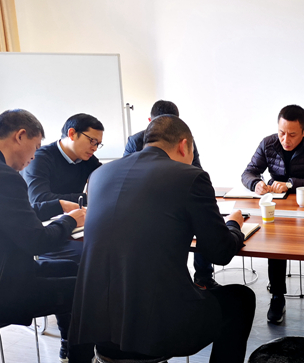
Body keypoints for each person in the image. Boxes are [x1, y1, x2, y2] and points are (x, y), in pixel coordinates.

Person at [69, 115, 255, 363]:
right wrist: (233, 224)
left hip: (96, 327)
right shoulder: (191, 177)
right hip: (155, 330)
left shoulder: (100, 174)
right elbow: (219, 253)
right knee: (241, 300)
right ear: (184, 145)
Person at [0, 109, 86, 362]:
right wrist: (71, 220)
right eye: (35, 147)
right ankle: (78, 357)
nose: (34, 156)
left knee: (72, 268)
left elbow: (10, 214)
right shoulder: (0, 174)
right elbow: (37, 241)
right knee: (86, 289)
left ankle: (68, 347)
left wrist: (57, 206)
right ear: (20, 136)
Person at [241, 104, 304, 324]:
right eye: (281, 132)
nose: (285, 139)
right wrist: (255, 184)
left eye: (292, 134)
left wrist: (290, 184)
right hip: (278, 207)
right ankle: (277, 296)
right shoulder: (268, 143)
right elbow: (248, 172)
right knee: (275, 243)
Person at [123, 100, 215, 289]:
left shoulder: (185, 139)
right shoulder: (136, 140)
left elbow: (196, 170)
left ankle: (203, 279)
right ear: (150, 122)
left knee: (201, 221)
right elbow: (128, 177)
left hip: (177, 198)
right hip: (146, 203)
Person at [22, 113, 104, 263]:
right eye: (92, 141)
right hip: (46, 231)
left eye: (98, 144)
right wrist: (87, 198)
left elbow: (107, 179)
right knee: (94, 254)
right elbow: (39, 199)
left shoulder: (87, 159)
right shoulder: (40, 158)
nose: (94, 148)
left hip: (74, 226)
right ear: (72, 134)